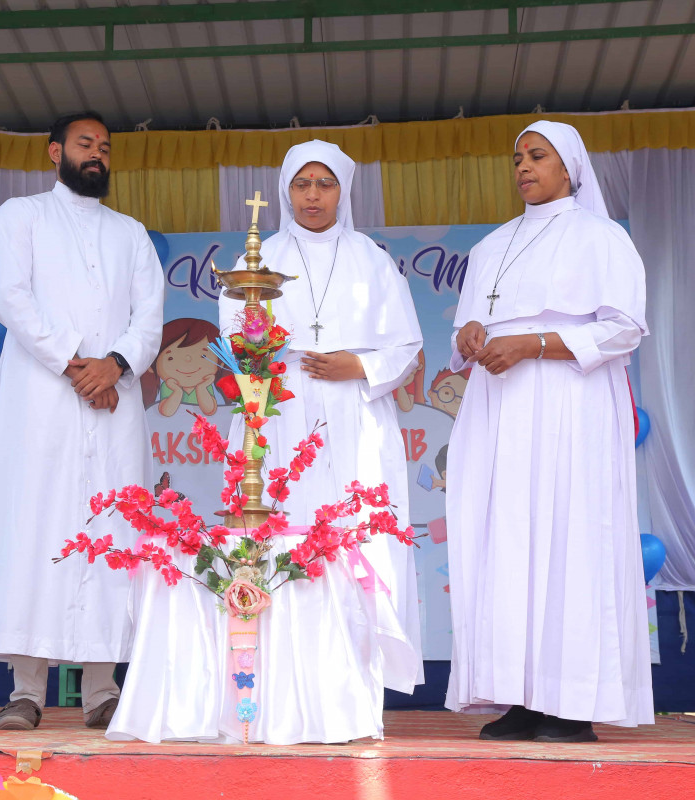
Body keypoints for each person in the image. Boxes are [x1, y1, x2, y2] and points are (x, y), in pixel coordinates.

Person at [445, 121, 652, 742]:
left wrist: (534, 343)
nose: (523, 167)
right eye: (517, 158)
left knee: (569, 539)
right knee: (504, 541)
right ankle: (521, 698)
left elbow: (624, 329)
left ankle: (570, 705)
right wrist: (470, 337)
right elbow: (465, 336)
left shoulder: (603, 238)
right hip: (499, 408)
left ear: (570, 169)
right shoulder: (490, 247)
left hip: (570, 403)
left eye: (537, 156)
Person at [0, 111, 164, 731]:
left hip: (113, 403)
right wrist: (81, 366)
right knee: (34, 532)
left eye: (105, 146)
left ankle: (103, 690)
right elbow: (12, 300)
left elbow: (149, 317)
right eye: (85, 144)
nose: (97, 153)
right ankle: (26, 690)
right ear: (55, 152)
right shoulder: (18, 217)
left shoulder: (131, 233)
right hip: (40, 403)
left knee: (113, 534)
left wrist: (117, 365)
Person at [217, 139, 425, 741]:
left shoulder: (371, 259)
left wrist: (356, 367)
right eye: (302, 184)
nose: (312, 195)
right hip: (275, 418)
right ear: (286, 190)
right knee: (275, 542)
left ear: (344, 190)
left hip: (350, 417)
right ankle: (272, 697)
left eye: (324, 184)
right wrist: (258, 355)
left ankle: (351, 702)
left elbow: (405, 346)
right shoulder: (260, 256)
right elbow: (233, 336)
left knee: (351, 548)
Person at [141, 317, 225, 416]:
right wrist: (177, 391)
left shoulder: (204, 385)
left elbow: (209, 410)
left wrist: (201, 388)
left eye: (203, 356)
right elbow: (166, 412)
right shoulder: (170, 385)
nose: (188, 361)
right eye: (171, 358)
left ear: (221, 362)